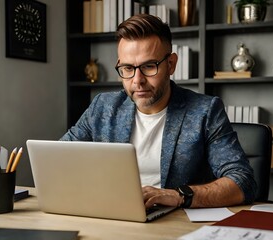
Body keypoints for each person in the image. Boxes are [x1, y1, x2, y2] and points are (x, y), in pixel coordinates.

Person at [60, 14, 257, 209]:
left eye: (149, 66)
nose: (137, 81)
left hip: (174, 222)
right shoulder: (103, 107)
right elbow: (60, 157)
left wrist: (178, 195)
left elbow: (242, 181)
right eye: (128, 68)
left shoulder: (205, 111)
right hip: (110, 215)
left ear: (171, 64)